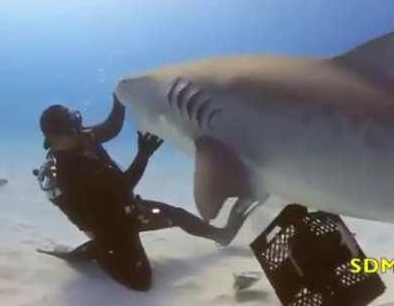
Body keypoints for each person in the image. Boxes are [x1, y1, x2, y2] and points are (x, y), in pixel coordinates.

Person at [35, 94, 257, 291]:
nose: (82, 128)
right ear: (59, 136)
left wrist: (120, 99)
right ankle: (98, 251)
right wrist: (144, 154)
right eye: (73, 124)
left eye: (77, 120)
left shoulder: (80, 137)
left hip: (127, 209)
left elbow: (112, 127)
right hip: (109, 230)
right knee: (141, 283)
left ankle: (222, 235)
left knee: (176, 215)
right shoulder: (69, 170)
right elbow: (124, 186)